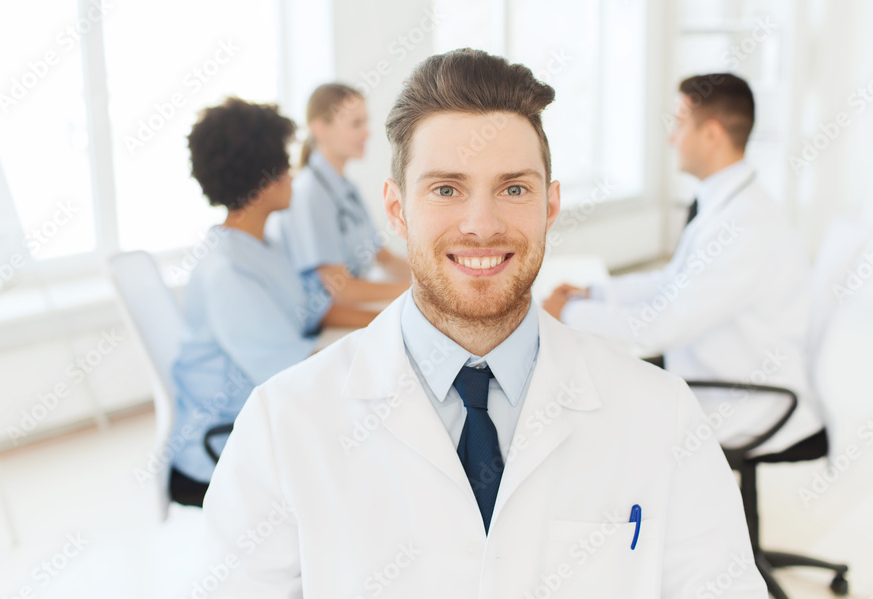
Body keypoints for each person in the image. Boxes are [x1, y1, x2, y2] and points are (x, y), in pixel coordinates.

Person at [202, 51, 766, 597]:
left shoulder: (661, 416)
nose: (482, 225)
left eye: (513, 188)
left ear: (550, 205)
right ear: (397, 210)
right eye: (446, 189)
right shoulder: (283, 425)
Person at [543, 73, 822, 456]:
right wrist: (594, 293)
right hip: (713, 373)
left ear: (711, 134)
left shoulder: (745, 227)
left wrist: (570, 312)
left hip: (742, 401)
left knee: (584, 412)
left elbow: (661, 327)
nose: (672, 137)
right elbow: (672, 282)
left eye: (678, 124)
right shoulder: (728, 204)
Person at [168, 97, 378, 508]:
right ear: (263, 180)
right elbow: (296, 378)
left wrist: (392, 321)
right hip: (224, 446)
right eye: (284, 164)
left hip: (270, 414)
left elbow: (319, 309)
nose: (293, 174)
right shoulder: (229, 273)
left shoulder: (266, 245)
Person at [266, 83, 410, 304]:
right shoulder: (309, 192)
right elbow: (342, 291)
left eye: (366, 122)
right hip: (324, 324)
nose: (367, 132)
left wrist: (432, 277)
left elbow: (384, 258)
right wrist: (418, 290)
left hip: (354, 308)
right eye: (356, 124)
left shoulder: (348, 189)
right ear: (320, 129)